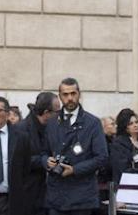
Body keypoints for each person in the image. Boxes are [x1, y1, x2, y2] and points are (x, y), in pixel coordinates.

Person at [43, 78, 107, 215]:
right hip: (56, 197)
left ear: (79, 94)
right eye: (65, 95)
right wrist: (46, 161)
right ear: (60, 96)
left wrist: (74, 170)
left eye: (73, 93)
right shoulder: (52, 123)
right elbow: (43, 151)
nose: (70, 98)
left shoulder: (93, 123)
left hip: (82, 197)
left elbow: (101, 157)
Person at [14, 92, 59, 215]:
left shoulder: (53, 128)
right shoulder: (20, 130)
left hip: (50, 198)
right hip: (28, 198)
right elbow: (17, 160)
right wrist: (43, 161)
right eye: (57, 111)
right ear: (46, 113)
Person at [108, 109, 138, 184]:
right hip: (126, 184)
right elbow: (121, 167)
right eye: (130, 123)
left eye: (136, 122)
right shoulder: (118, 144)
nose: (135, 125)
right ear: (125, 126)